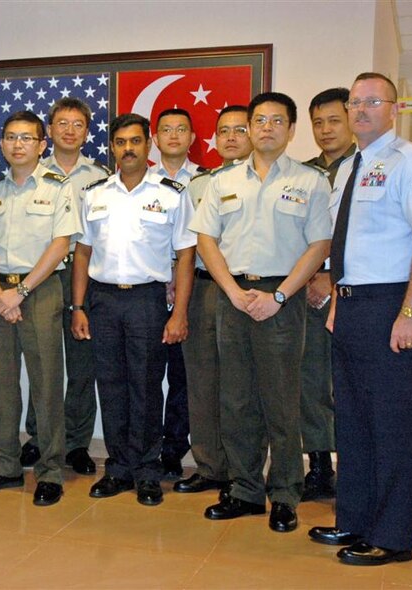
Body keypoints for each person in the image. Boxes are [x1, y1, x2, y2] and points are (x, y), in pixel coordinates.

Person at [308, 72, 412, 566]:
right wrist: (340, 307)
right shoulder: (349, 168)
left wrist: (411, 311)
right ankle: (356, 519)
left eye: (372, 101)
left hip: (393, 308)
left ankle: (392, 536)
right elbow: (349, 246)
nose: (360, 110)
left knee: (392, 427)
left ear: (394, 108)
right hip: (352, 309)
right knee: (354, 422)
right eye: (354, 102)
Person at [190, 92, 331, 533]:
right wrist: (232, 291)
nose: (266, 127)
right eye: (259, 120)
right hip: (233, 296)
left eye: (277, 121)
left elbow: (319, 245)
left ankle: (285, 493)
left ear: (291, 130)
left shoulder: (311, 182)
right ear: (248, 128)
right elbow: (206, 240)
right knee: (235, 399)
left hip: (282, 299)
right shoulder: (222, 181)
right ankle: (245, 489)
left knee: (282, 401)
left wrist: (282, 296)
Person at [71, 113, 196, 506]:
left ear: (149, 145)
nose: (128, 148)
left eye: (136, 141)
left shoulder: (172, 192)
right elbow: (82, 253)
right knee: (109, 384)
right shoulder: (95, 193)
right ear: (112, 147)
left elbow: (186, 256)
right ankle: (119, 468)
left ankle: (146, 471)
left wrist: (180, 314)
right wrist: (78, 306)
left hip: (147, 299)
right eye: (121, 142)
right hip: (103, 299)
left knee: (145, 386)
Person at [0, 111, 80, 507]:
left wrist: (22, 292)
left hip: (41, 291)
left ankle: (50, 472)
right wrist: (0, 292)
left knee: (47, 386)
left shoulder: (59, 187)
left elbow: (61, 244)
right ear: (1, 145)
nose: (18, 145)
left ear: (41, 144)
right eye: (11, 138)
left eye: (27, 138)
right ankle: (4, 467)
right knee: (0, 387)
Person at [19, 98, 109, 476]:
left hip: (83, 276)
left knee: (81, 366)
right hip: (44, 276)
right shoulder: (30, 175)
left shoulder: (102, 175)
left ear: (87, 132)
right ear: (49, 131)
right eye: (62, 123)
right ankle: (39, 437)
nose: (70, 130)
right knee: (42, 362)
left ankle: (75, 443)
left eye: (78, 124)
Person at [174, 105, 252, 496]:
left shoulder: (264, 181)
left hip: (247, 290)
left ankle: (244, 472)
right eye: (224, 131)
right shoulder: (199, 186)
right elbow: (187, 250)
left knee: (241, 387)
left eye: (240, 129)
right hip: (206, 289)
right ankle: (210, 466)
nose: (232, 137)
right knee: (202, 382)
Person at [299, 87, 355, 502]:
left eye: (334, 120)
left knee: (351, 382)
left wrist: (332, 275)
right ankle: (319, 465)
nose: (325, 129)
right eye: (318, 122)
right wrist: (306, 278)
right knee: (312, 379)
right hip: (307, 293)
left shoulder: (369, 167)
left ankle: (354, 466)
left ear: (351, 119)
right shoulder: (301, 174)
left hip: (353, 293)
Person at [151, 108, 203, 479]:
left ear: (192, 138)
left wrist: (181, 275)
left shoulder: (206, 181)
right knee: (148, 374)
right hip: (150, 290)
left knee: (185, 376)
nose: (173, 135)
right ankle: (149, 447)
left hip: (193, 286)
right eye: (165, 130)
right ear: (155, 138)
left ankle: (174, 449)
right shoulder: (141, 179)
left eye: (180, 129)